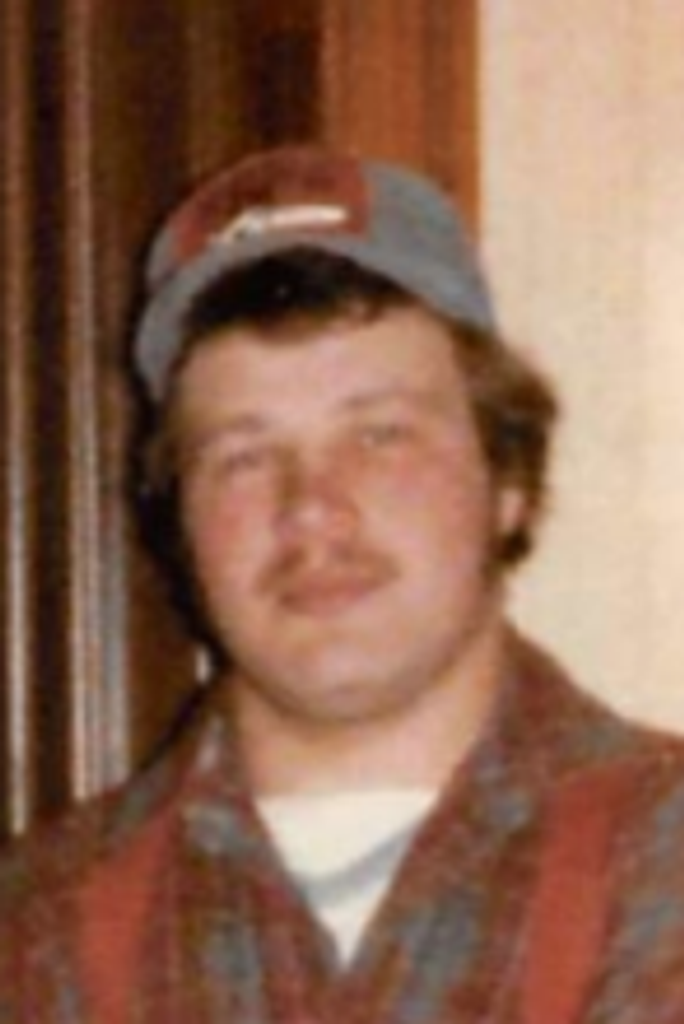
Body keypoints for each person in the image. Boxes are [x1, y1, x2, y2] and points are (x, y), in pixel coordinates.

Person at [1, 146, 684, 1023]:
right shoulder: (38, 924)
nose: (313, 510)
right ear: (178, 523)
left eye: (380, 435)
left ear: (507, 479)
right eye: (244, 456)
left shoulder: (661, 860)